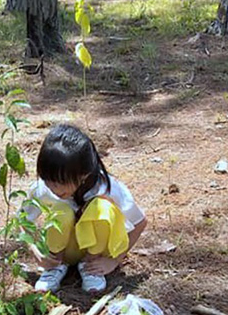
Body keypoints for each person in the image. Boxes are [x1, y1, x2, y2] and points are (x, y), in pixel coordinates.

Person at [25, 124, 147, 294]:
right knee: (62, 211)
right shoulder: (43, 188)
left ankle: (91, 268)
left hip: (95, 252)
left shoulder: (107, 187)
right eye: (48, 180)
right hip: (65, 250)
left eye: (60, 182)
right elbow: (22, 221)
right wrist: (36, 252)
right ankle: (55, 267)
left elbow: (140, 222)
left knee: (101, 208)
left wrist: (113, 261)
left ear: (83, 175)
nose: (53, 188)